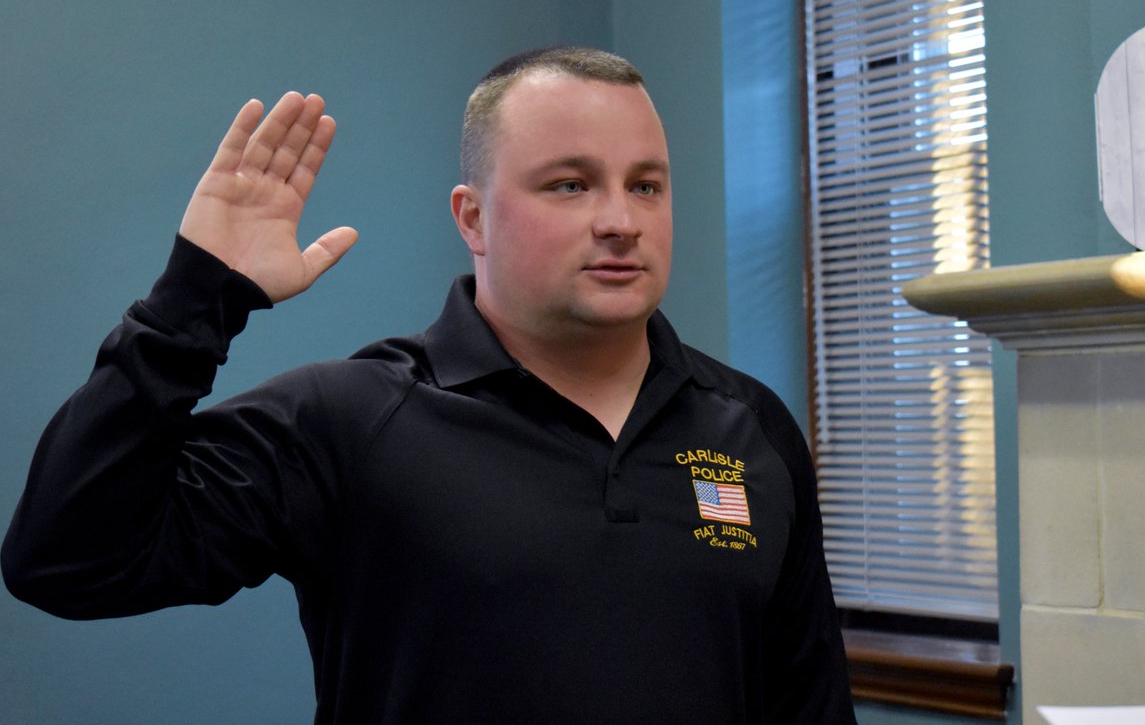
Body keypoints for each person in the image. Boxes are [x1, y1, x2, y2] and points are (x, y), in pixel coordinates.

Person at [2, 47, 856, 724]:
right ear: (472, 218)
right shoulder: (350, 418)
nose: (620, 220)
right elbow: (67, 560)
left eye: (646, 186)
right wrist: (194, 300)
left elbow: (808, 701)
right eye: (570, 185)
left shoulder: (751, 426)